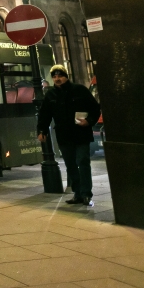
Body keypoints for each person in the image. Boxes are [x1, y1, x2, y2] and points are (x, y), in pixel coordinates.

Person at [37, 64, 101, 206]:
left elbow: (95, 108)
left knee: (83, 162)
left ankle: (86, 194)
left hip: (81, 134)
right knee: (71, 165)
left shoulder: (79, 90)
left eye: (60, 76)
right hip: (64, 136)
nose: (57, 79)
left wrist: (89, 121)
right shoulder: (51, 95)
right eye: (54, 76)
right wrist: (42, 131)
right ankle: (77, 193)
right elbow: (44, 115)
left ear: (66, 77)